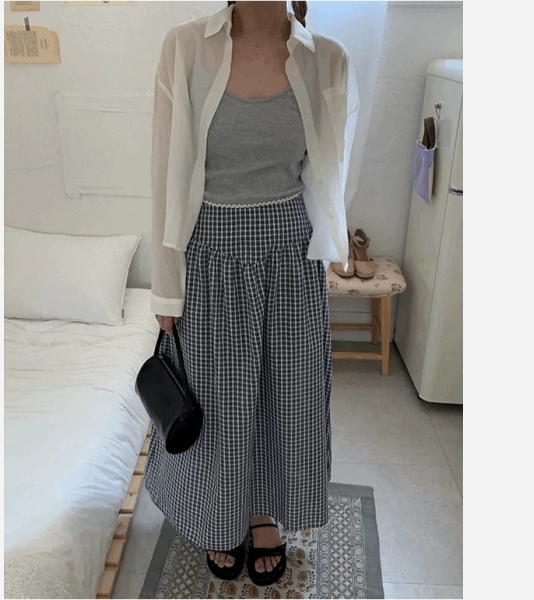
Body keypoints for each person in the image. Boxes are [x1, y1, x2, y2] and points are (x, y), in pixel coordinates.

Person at [145, 0, 359, 587]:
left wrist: (331, 251)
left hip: (291, 260)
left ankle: (264, 513)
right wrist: (166, 289)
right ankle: (223, 515)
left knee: (287, 398)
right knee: (221, 406)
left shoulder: (329, 60)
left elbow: (334, 170)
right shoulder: (185, 47)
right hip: (209, 259)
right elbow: (165, 171)